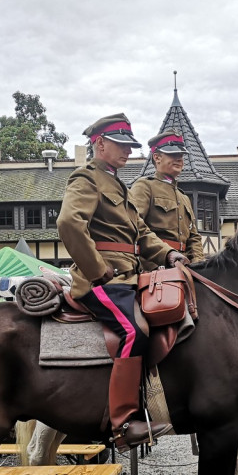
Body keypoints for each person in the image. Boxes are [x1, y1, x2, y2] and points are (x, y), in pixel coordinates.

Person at [57, 114, 190, 450]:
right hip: (99, 281)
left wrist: (168, 256)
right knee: (135, 330)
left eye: (131, 146)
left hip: (128, 278)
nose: (129, 151)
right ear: (100, 144)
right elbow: (69, 224)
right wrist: (97, 270)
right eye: (122, 145)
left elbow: (142, 233)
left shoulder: (117, 185)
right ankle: (123, 424)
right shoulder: (86, 179)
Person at [128, 130, 204, 267]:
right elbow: (135, 226)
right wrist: (166, 254)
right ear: (157, 157)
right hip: (155, 265)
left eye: (181, 155)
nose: (179, 159)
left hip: (185, 266)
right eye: (173, 154)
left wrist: (198, 264)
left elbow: (194, 237)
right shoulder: (144, 186)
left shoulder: (184, 197)